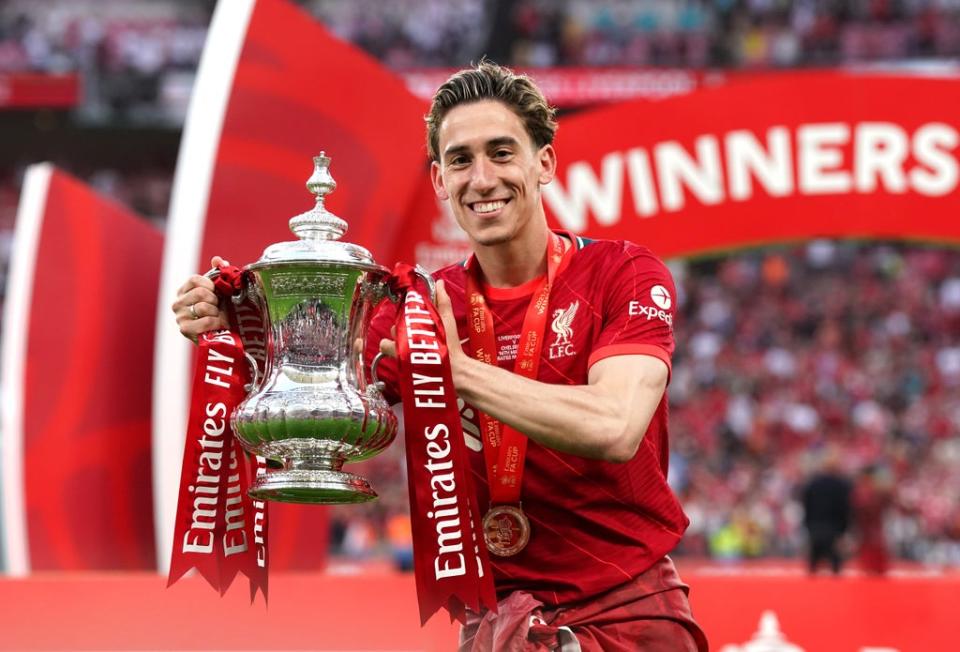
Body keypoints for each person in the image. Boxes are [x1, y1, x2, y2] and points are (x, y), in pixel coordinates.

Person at [174, 61, 707, 651]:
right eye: (460, 160)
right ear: (438, 179)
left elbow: (615, 426)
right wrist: (247, 324)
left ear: (545, 164)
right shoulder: (421, 304)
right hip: (498, 622)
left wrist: (457, 371)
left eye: (502, 153)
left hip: (624, 608)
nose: (482, 178)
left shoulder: (621, 273)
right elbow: (330, 368)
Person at [800, 449, 852, 575]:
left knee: (813, 569)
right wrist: (843, 530)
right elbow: (845, 509)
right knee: (836, 569)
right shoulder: (842, 486)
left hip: (815, 529)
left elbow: (806, 506)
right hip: (834, 531)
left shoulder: (812, 484)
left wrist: (808, 526)